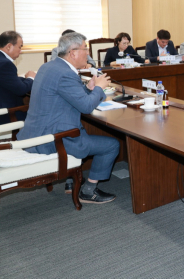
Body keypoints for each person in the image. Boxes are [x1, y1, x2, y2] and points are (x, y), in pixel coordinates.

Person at [17, 32, 119, 204]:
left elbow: (73, 96)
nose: (88, 53)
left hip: (37, 131)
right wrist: (100, 89)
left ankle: (72, 180)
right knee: (112, 145)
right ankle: (88, 191)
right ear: (73, 52)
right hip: (52, 139)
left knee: (84, 131)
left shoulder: (50, 67)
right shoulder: (66, 74)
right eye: (85, 49)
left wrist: (90, 87)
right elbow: (86, 107)